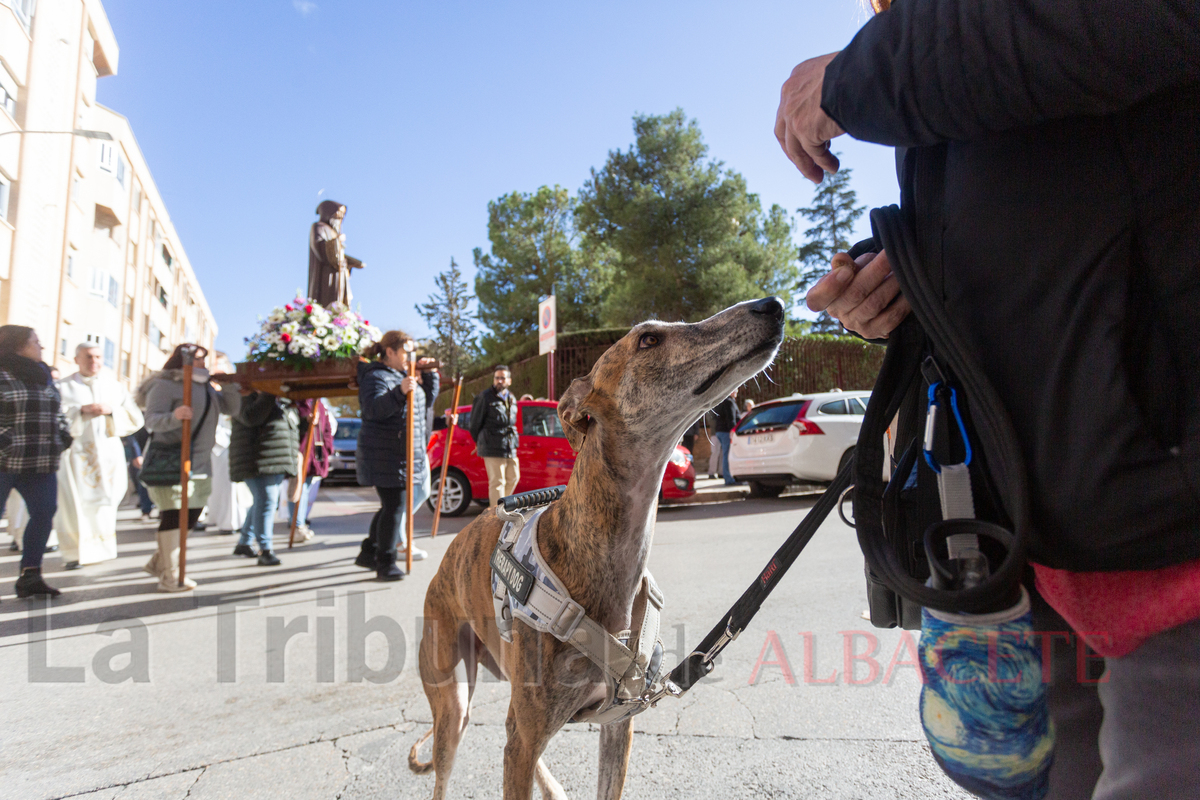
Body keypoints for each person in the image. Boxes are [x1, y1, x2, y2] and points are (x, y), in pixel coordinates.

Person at [775, 2, 1200, 796]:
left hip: (1166, 528)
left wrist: (858, 74)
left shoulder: (912, 56)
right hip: (1046, 539)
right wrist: (904, 285)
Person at [138, 344, 240, 591]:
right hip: (171, 461)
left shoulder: (206, 387)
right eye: (197, 360)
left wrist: (229, 385)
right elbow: (151, 420)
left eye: (205, 360)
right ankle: (170, 577)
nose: (203, 365)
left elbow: (231, 409)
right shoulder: (165, 385)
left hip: (201, 463)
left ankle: (158, 562)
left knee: (191, 515)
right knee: (174, 515)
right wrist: (175, 416)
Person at [354, 331, 436, 580]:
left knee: (390, 506)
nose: (411, 356)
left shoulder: (402, 376)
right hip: (385, 455)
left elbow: (426, 401)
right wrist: (399, 392)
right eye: (406, 351)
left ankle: (369, 552)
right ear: (390, 352)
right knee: (394, 507)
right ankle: (385, 563)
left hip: (401, 454)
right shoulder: (376, 376)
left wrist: (430, 376)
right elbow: (373, 409)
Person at [54, 344, 144, 569]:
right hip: (76, 455)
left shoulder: (115, 387)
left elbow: (136, 418)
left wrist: (112, 411)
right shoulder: (62, 387)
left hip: (107, 455)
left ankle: (102, 549)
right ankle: (74, 553)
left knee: (105, 502)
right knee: (75, 503)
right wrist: (80, 411)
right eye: (88, 357)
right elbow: (53, 417)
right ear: (77, 359)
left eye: (98, 356)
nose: (94, 361)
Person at [0, 326, 71, 598]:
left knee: (43, 514)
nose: (40, 346)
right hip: (4, 461)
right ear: (17, 345)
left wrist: (63, 436)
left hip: (40, 462)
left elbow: (57, 411)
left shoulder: (44, 376)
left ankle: (30, 575)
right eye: (35, 342)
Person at [228, 391, 299, 566]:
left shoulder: (281, 401)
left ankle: (244, 542)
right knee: (266, 501)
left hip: (273, 460)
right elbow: (252, 418)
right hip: (258, 461)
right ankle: (265, 550)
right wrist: (268, 394)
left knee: (262, 502)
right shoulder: (244, 398)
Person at [468, 365, 519, 508]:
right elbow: (474, 424)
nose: (499, 381)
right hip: (492, 445)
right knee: (497, 481)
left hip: (510, 444)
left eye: (503, 378)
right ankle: (497, 516)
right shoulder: (484, 397)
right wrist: (480, 442)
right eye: (497, 378)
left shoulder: (511, 397)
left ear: (509, 381)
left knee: (514, 477)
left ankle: (503, 507)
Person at [287, 397, 335, 543]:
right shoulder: (296, 404)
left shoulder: (319, 405)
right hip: (301, 453)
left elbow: (326, 429)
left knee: (306, 488)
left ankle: (300, 522)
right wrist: (305, 423)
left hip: (315, 452)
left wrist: (327, 448)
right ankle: (296, 524)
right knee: (297, 488)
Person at [308, 200, 364, 307]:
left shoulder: (334, 232)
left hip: (339, 274)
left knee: (341, 301)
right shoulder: (319, 227)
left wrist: (353, 262)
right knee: (326, 301)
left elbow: (339, 255)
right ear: (329, 213)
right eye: (337, 216)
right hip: (326, 275)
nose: (340, 220)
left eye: (341, 217)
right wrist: (337, 241)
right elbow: (320, 249)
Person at [122, 428, 155, 521]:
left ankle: (159, 510)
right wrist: (136, 454)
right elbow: (132, 434)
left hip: (156, 450)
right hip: (141, 449)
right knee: (142, 480)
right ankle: (146, 509)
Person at [713, 389, 739, 486]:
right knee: (727, 455)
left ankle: (728, 477)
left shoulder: (722, 401)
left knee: (725, 455)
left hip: (720, 431)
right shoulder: (729, 402)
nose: (737, 391)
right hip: (726, 432)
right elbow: (731, 418)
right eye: (735, 390)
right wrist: (733, 431)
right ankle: (728, 479)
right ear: (731, 391)